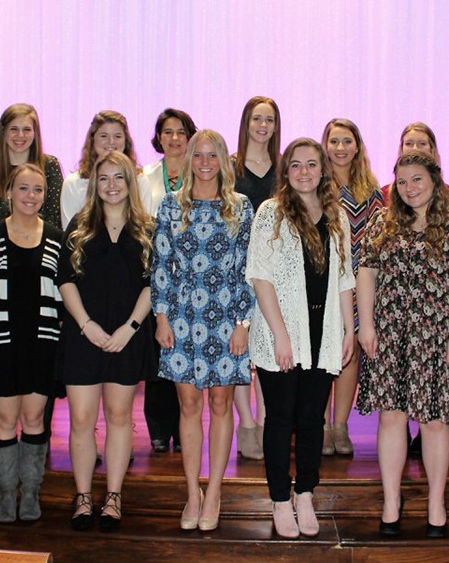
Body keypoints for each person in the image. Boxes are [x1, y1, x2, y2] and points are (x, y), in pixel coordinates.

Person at [357, 151, 449, 538]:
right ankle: (391, 501)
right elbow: (366, 272)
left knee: (434, 420)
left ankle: (436, 502)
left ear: (434, 180)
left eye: (418, 180)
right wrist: (366, 327)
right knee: (391, 416)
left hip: (439, 337)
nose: (410, 188)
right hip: (390, 333)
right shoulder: (383, 221)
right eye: (403, 181)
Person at [246, 138, 354, 538]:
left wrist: (346, 331)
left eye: (312, 164)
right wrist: (280, 336)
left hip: (322, 336)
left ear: (323, 170)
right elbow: (260, 276)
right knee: (280, 420)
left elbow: (344, 278)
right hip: (282, 337)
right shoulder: (270, 213)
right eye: (296, 165)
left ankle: (305, 492)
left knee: (311, 420)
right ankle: (279, 497)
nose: (304, 172)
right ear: (285, 171)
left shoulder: (336, 215)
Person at [151, 130, 254, 532]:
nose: (206, 162)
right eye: (199, 155)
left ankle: (215, 492)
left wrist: (244, 323)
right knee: (189, 407)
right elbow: (160, 264)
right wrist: (160, 317)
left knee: (221, 406)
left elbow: (248, 269)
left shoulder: (240, 208)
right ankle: (192, 492)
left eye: (213, 155)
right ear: (188, 158)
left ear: (224, 160)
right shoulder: (170, 207)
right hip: (180, 319)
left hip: (228, 319)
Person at [59, 152, 157, 531]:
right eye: (104, 178)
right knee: (82, 420)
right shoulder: (78, 226)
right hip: (83, 336)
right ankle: (83, 497)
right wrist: (86, 325)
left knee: (119, 419)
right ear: (94, 184)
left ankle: (113, 497)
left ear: (131, 184)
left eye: (120, 177)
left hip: (127, 337)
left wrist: (129, 328)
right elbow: (65, 280)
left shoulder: (147, 228)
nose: (112, 185)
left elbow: (154, 284)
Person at [0, 163, 63, 523]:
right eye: (23, 189)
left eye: (37, 190)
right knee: (6, 420)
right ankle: (7, 496)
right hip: (1, 343)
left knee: (35, 418)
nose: (30, 196)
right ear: (9, 192)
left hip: (42, 343)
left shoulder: (56, 238)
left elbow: (62, 295)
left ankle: (31, 494)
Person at [322, 118, 384, 456]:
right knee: (321, 353)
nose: (341, 148)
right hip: (322, 282)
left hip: (359, 283)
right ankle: (320, 426)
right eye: (334, 141)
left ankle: (340, 426)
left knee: (349, 355)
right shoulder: (315, 183)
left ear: (357, 146)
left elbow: (377, 239)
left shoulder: (371, 190)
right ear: (325, 144)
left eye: (347, 141)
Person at [139, 107, 197, 454]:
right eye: (167, 132)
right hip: (155, 275)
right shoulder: (143, 176)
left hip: (194, 281)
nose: (174, 138)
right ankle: (159, 429)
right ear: (158, 138)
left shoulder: (202, 173)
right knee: (159, 353)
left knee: (186, 355)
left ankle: (183, 427)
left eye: (181, 132)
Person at [232, 96, 281, 461]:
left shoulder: (284, 169)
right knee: (238, 350)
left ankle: (265, 420)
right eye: (257, 119)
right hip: (234, 267)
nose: (262, 125)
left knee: (266, 347)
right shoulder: (230, 168)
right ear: (246, 122)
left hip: (274, 269)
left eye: (269, 120)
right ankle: (246, 422)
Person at [0, 103, 63, 226]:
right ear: (3, 132)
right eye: (14, 129)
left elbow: (54, 218)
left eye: (26, 129)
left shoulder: (49, 166)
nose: (20, 135)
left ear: (35, 133)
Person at [61, 110, 140, 229]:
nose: (111, 142)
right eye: (104, 136)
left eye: (117, 136)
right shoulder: (72, 183)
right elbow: (69, 232)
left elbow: (143, 225)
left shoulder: (141, 180)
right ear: (92, 139)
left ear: (126, 141)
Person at [381, 123, 449, 208]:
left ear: (431, 149)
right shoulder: (384, 194)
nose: (415, 148)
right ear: (402, 148)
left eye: (422, 143)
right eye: (409, 143)